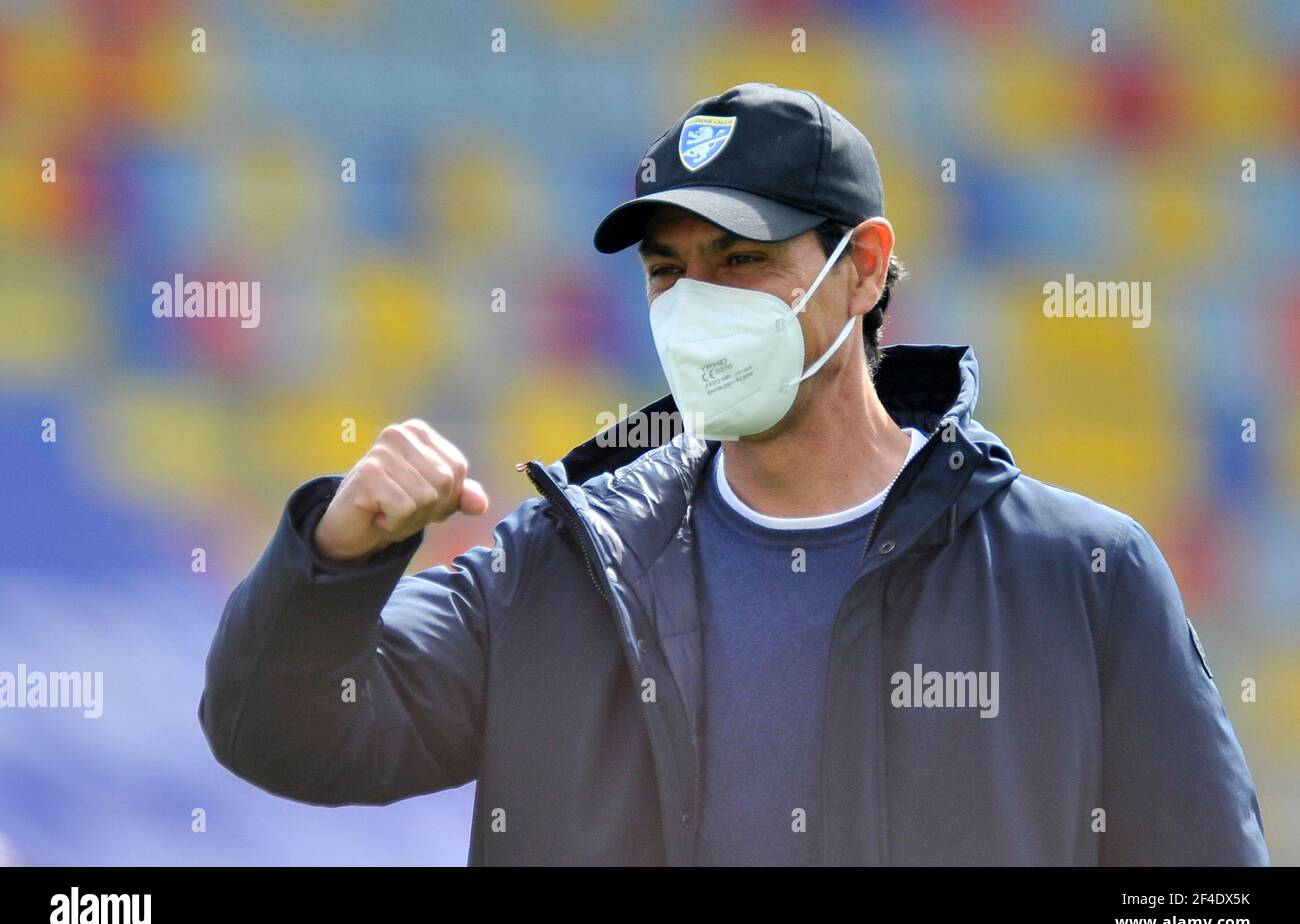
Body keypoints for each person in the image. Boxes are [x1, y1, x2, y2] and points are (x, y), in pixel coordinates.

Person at [199, 82, 1269, 866]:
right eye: (668, 271)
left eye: (742, 261)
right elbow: (280, 735)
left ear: (861, 268)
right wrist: (336, 556)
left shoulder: (1075, 574)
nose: (695, 306)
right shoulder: (560, 570)